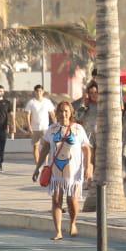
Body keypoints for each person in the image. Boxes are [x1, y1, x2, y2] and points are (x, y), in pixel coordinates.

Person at [33, 100, 92, 241]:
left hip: (74, 170)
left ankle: (73, 223)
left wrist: (88, 166)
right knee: (56, 199)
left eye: (66, 111)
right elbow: (45, 148)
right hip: (56, 171)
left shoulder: (78, 129)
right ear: (57, 113)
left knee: (72, 200)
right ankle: (58, 231)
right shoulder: (52, 129)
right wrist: (37, 167)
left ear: (71, 112)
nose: (63, 114)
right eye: (61, 111)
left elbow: (86, 148)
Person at [25, 85, 56, 163]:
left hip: (45, 128)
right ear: (34, 92)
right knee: (36, 146)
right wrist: (29, 126)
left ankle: (45, 164)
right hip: (35, 128)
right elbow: (27, 115)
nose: (39, 93)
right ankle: (37, 165)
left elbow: (52, 114)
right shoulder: (31, 102)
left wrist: (56, 124)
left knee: (45, 147)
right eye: (37, 91)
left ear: (43, 92)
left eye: (40, 91)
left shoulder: (47, 102)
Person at [75, 81, 100, 167]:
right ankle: (91, 176)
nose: (94, 94)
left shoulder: (103, 105)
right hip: (88, 134)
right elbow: (78, 117)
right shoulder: (86, 105)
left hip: (101, 135)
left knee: (99, 158)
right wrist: (84, 105)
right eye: (91, 93)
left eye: (96, 92)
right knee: (90, 157)